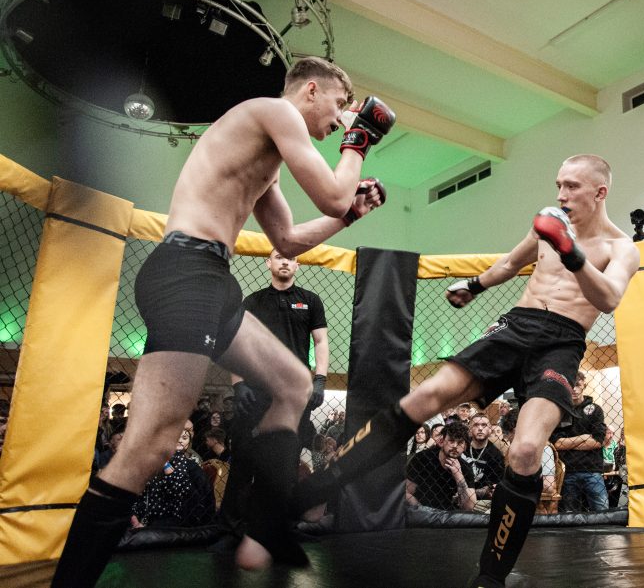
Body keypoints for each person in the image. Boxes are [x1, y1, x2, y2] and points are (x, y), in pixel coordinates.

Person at [51, 56, 393, 586]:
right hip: (187, 273)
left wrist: (349, 217)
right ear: (309, 90)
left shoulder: (266, 151)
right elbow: (331, 190)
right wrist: (360, 142)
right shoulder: (272, 112)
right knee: (149, 448)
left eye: (351, 113)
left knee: (294, 383)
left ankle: (265, 521)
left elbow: (289, 240)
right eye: (340, 105)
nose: (342, 119)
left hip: (210, 278)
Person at [289, 154, 639, 587]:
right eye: (558, 184)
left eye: (572, 187)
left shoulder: (621, 247)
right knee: (422, 398)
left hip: (562, 344)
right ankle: (317, 489)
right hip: (517, 326)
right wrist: (473, 287)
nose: (561, 195)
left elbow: (609, 298)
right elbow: (511, 264)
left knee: (527, 451)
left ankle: (490, 576)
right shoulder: (545, 226)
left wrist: (570, 252)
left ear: (600, 192)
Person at [214, 247, 332, 551]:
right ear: (269, 263)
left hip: (292, 394)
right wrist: (239, 384)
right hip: (257, 390)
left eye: (290, 258)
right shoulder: (252, 301)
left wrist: (319, 380)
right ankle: (230, 532)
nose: (284, 262)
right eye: (279, 257)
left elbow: (321, 341)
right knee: (243, 462)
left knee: (286, 465)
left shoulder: (311, 301)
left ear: (297, 264)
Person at [130, 426, 216, 529]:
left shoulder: (192, 467)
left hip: (178, 516)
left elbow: (186, 494)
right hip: (150, 512)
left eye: (184, 438)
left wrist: (166, 467)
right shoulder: (153, 462)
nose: (180, 440)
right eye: (176, 437)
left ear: (189, 443)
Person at [551, 372, 608, 512]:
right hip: (568, 471)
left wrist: (568, 444)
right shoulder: (561, 412)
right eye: (571, 386)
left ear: (584, 386)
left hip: (592, 470)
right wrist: (584, 437)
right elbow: (557, 444)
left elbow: (598, 440)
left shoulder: (595, 409)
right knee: (570, 515)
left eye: (577, 385)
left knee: (602, 512)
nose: (574, 389)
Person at [405, 421, 477, 511]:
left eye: (460, 443)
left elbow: (469, 507)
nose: (455, 446)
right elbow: (407, 492)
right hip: (421, 511)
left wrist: (458, 475)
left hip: (449, 516)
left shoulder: (465, 468)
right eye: (451, 441)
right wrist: (420, 509)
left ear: (465, 447)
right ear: (442, 441)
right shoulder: (422, 458)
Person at [463, 413, 504, 506]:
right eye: (476, 425)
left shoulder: (496, 454)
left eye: (484, 425)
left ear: (490, 430)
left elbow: (495, 484)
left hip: (483, 500)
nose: (480, 428)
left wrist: (476, 492)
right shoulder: (462, 446)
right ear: (470, 429)